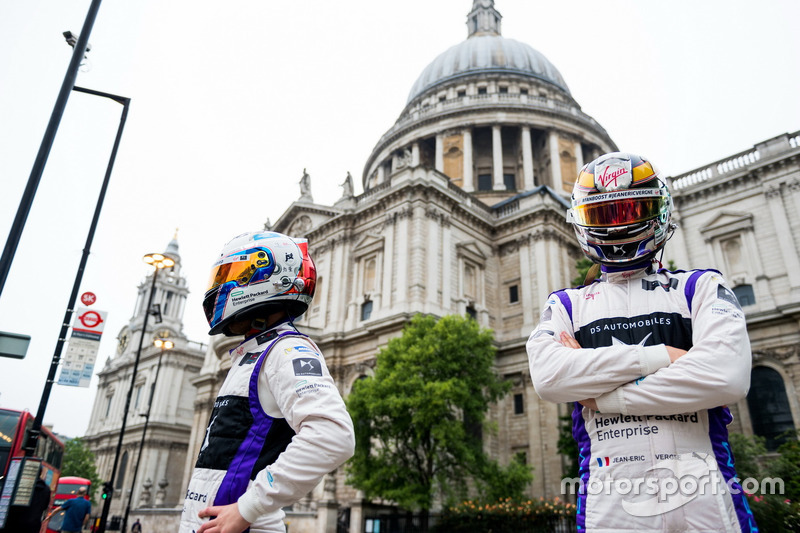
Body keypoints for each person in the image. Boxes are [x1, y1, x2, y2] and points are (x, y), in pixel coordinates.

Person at [526, 152, 757, 532]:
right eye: (605, 216)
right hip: (611, 507)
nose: (619, 227)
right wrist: (664, 356)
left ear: (658, 211)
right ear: (583, 222)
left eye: (632, 209)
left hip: (711, 504)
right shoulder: (567, 303)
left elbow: (727, 377)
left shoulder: (699, 287)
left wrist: (602, 394)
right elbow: (550, 379)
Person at [180, 231, 355, 533]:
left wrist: (249, 508)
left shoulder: (287, 349)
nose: (220, 286)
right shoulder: (254, 352)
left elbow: (332, 434)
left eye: (233, 274)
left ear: (270, 278)